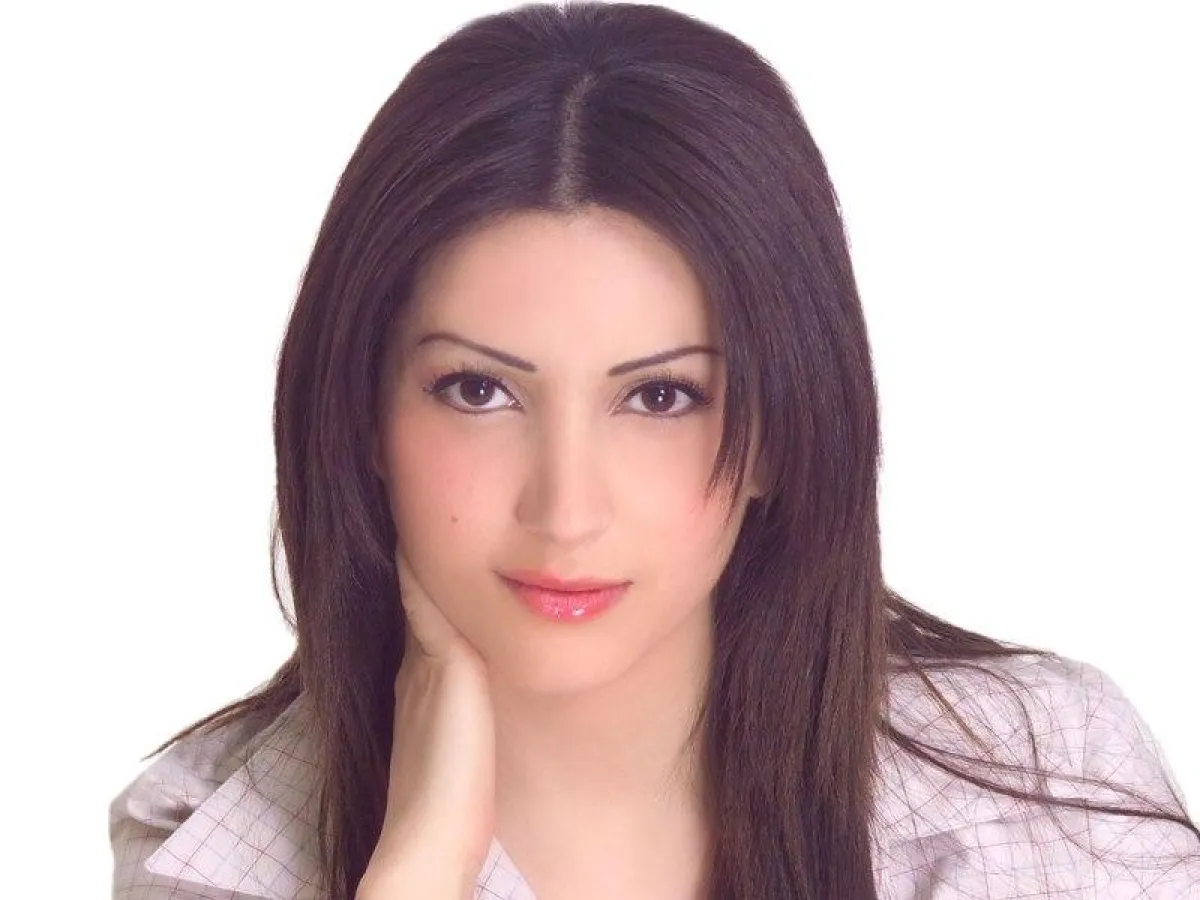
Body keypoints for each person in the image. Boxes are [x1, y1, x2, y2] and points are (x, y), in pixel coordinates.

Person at [108, 3, 1200, 899]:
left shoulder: (1044, 786)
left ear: (779, 435)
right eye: (479, 390)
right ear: (362, 420)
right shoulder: (211, 841)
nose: (566, 510)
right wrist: (419, 866)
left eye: (662, 396)